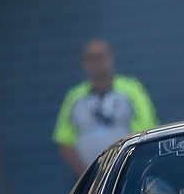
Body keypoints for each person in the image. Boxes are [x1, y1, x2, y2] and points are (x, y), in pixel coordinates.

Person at [53, 39, 159, 177]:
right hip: (86, 177)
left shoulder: (131, 90)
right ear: (84, 63)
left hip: (127, 174)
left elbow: (147, 129)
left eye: (100, 56)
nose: (96, 62)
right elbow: (64, 140)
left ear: (110, 59)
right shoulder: (74, 97)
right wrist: (88, 174)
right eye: (91, 58)